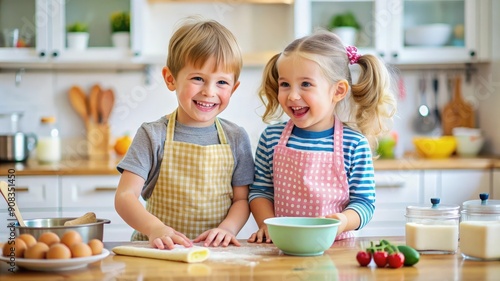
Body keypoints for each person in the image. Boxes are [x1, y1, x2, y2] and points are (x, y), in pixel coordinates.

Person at [115, 17, 255, 250]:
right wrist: (154, 228)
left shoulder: (236, 137)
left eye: (221, 82)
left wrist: (227, 229)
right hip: (159, 253)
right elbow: (125, 197)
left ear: (234, 88)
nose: (209, 91)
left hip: (215, 255)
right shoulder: (152, 135)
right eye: (198, 78)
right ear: (171, 79)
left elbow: (241, 200)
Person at [248, 31, 397, 243]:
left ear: (338, 91)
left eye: (306, 84)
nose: (292, 95)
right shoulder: (271, 138)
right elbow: (260, 191)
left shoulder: (354, 144)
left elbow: (364, 203)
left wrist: (343, 221)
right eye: (285, 84)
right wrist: (267, 223)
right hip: (282, 247)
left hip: (336, 249)